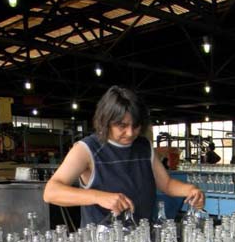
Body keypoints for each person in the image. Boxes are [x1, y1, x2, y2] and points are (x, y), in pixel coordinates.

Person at [43, 85, 204, 227]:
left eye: (136, 126)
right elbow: (51, 192)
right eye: (122, 126)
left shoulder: (144, 147)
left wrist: (190, 190)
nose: (130, 133)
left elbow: (166, 184)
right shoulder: (87, 149)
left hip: (140, 239)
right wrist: (98, 197)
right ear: (106, 121)